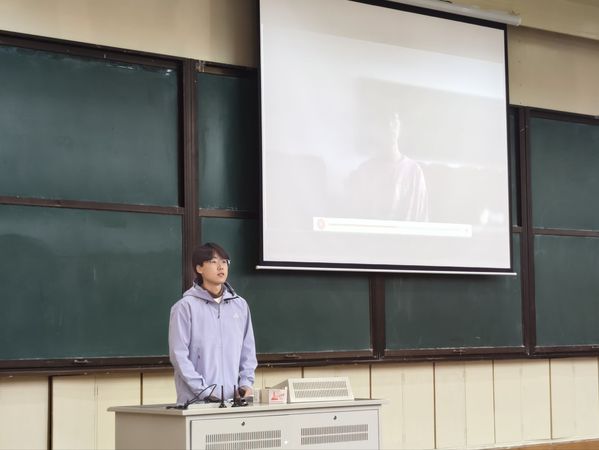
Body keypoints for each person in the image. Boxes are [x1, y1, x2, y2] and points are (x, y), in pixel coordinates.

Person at [168, 242, 257, 406]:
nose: (221, 267)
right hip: (196, 403)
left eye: (224, 262)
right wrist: (206, 392)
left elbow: (248, 351)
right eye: (213, 261)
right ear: (199, 268)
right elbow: (179, 356)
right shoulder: (185, 307)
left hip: (234, 403)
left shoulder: (240, 305)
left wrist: (246, 384)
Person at [348, 112, 429, 221]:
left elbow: (421, 220)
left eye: (394, 120)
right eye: (384, 122)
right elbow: (356, 218)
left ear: (400, 127)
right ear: (375, 129)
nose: (390, 126)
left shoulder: (415, 172)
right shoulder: (364, 172)